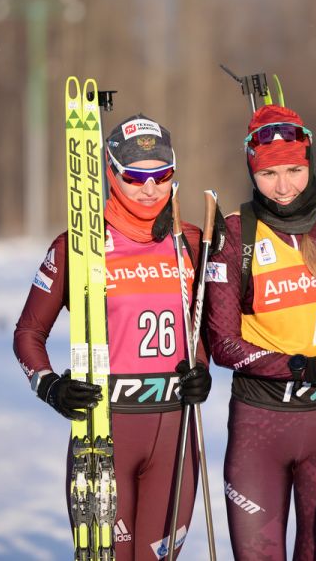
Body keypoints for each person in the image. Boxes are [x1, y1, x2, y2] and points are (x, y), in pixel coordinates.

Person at [13, 114, 212, 560]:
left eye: (162, 176)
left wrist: (202, 367)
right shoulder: (77, 246)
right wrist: (50, 385)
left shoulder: (192, 241)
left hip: (175, 434)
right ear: (110, 173)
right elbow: (28, 333)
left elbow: (207, 327)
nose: (150, 189)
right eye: (136, 177)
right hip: (104, 431)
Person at [203, 104, 316, 560]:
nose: (283, 186)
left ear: (310, 162)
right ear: (251, 171)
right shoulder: (236, 236)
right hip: (259, 425)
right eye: (269, 174)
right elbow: (222, 344)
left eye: (294, 170)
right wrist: (307, 363)